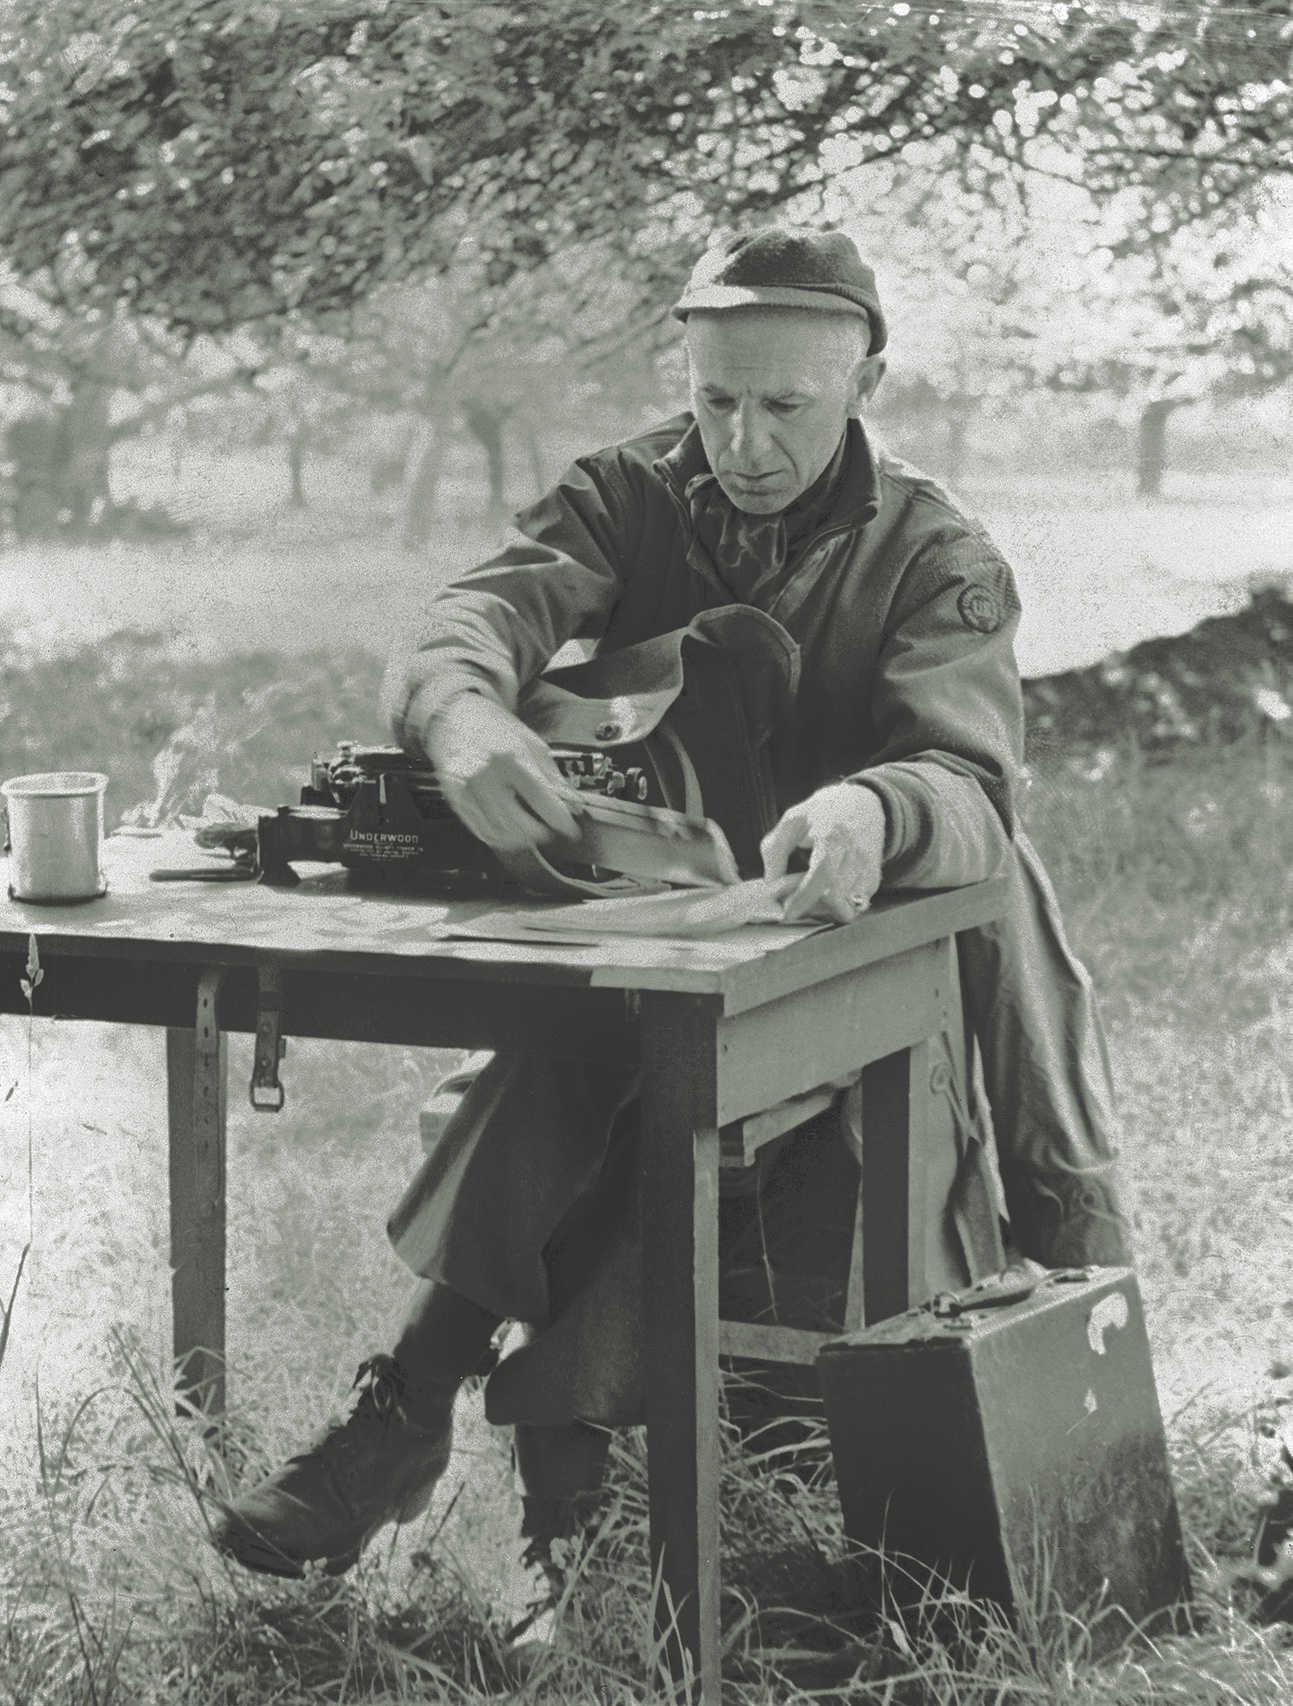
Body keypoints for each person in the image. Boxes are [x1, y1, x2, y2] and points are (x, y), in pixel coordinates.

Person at [214, 227, 1132, 1632]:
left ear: (865, 377)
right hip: (674, 926)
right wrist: (464, 721)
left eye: (785, 406)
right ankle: (519, 1514)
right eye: (714, 401)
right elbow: (477, 613)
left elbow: (969, 784)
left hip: (873, 952)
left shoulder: (939, 552)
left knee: (628, 1082)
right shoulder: (628, 493)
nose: (743, 442)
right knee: (602, 1046)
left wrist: (873, 811)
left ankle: (440, 1440)